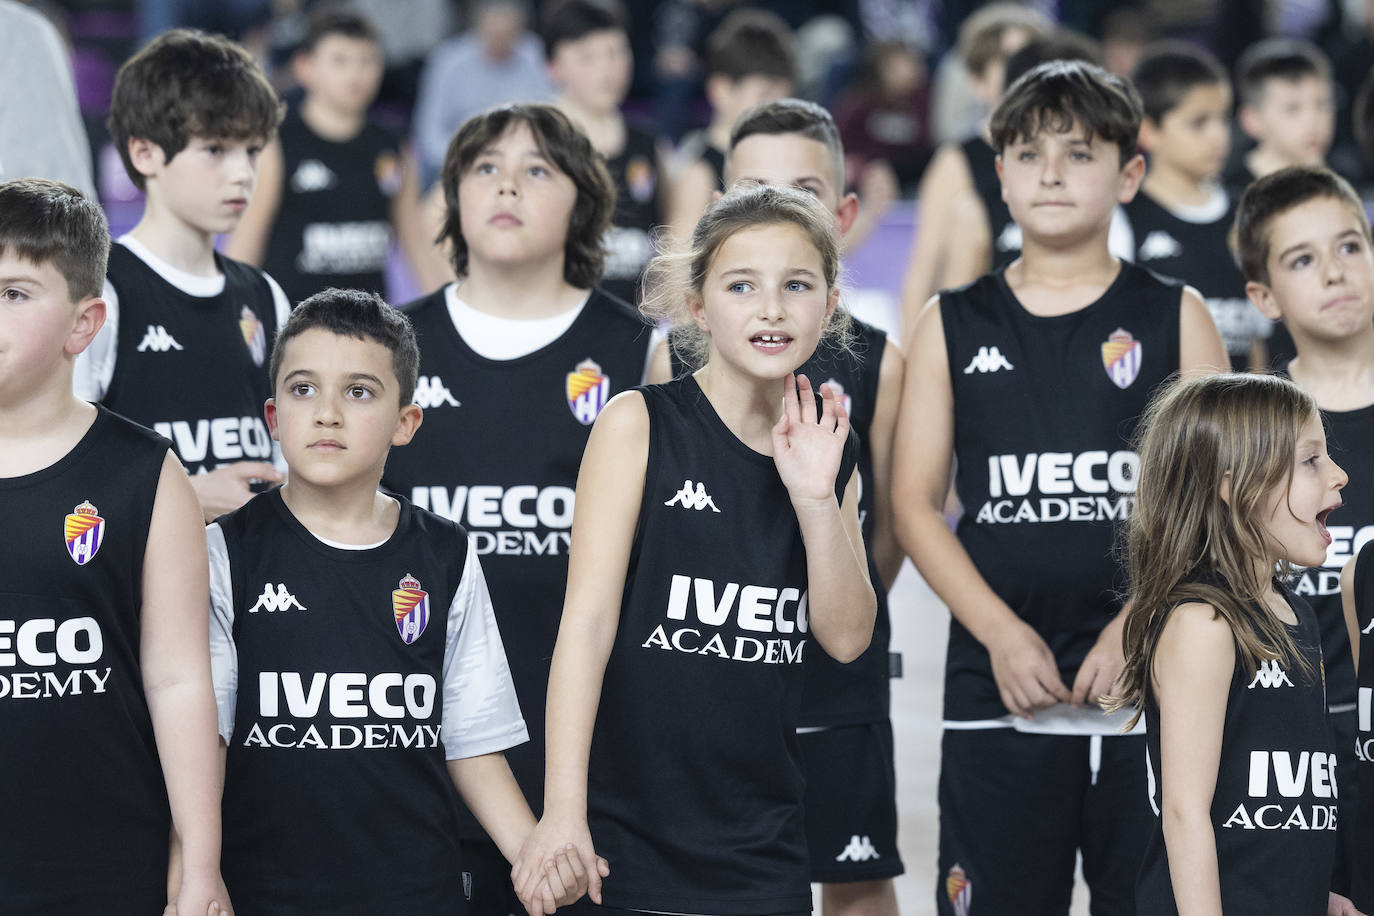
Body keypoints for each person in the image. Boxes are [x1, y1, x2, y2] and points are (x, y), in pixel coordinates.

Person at [893, 60, 1228, 915]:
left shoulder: (1176, 314)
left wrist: (1138, 622)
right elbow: (913, 505)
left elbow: (1217, 504)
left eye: (1078, 153)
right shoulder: (952, 322)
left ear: (1129, 174)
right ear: (997, 174)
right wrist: (1001, 635)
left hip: (1149, 679)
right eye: (1028, 153)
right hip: (997, 684)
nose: (1050, 172)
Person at [514, 183, 876, 913]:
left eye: (796, 285)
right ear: (700, 306)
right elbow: (585, 628)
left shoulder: (830, 448)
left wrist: (813, 498)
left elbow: (845, 637)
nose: (771, 308)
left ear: (828, 305)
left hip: (763, 847)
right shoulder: (637, 425)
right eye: (742, 285)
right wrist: (562, 811)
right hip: (628, 839)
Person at [208, 287, 600, 913]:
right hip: (267, 893)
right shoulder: (222, 553)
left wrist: (534, 852)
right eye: (303, 389)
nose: (327, 413)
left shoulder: (444, 554)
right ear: (274, 416)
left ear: (406, 422)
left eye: (358, 391)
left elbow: (471, 738)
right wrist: (193, 874)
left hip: (417, 892)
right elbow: (206, 749)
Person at [380, 102, 651, 916]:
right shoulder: (388, 351)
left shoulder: (643, 353)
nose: (507, 185)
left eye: (538, 169)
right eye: (484, 167)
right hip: (411, 761)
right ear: (453, 197)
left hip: (595, 765)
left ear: (584, 201)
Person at [650, 97, 906, 915]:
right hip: (710, 660)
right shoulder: (668, 367)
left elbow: (894, 524)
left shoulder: (878, 360)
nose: (782, 205)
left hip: (835, 672)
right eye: (756, 186)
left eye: (803, 188)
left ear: (844, 210)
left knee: (853, 878)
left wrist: (834, 596)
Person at [0, 178, 228, 914]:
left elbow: (179, 680)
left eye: (14, 292)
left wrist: (199, 865)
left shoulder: (143, 472)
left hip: (105, 867)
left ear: (83, 323)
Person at [1112, 373, 1354, 916]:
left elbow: (1290, 804)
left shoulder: (1298, 614)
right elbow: (1184, 812)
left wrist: (1316, 895)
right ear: (1232, 484)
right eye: (1310, 460)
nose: (1339, 474)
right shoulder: (1204, 623)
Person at [75, 28, 291, 521]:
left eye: (252, 150)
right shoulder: (99, 290)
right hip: (133, 591)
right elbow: (59, 474)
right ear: (145, 153)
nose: (242, 173)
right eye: (215, 149)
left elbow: (286, 463)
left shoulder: (265, 295)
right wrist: (187, 495)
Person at [1235, 164, 1374, 900]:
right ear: (1263, 297)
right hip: (1294, 765)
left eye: (1351, 246)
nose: (1335, 273)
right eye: (1302, 259)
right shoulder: (1246, 435)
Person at [226, 11, 426, 308]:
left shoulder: (394, 146)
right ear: (304, 68)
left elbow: (418, 244)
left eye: (368, 60)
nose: (356, 73)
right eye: (340, 60)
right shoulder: (277, 144)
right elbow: (245, 245)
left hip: (372, 330)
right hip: (290, 330)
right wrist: (230, 320)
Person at [898, 2, 1051, 336]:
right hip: (983, 338)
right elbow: (923, 272)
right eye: (1010, 61)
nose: (1023, 72)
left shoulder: (1064, 154)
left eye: (1033, 60)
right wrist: (910, 369)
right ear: (979, 80)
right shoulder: (956, 161)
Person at [1126, 41, 1271, 372]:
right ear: (1148, 130)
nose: (1218, 136)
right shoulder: (1125, 219)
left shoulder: (1249, 212)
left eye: (1222, 119)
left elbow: (1259, 339)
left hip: (1241, 414)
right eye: (1198, 122)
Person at [542, 0, 666, 305]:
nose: (607, 69)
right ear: (553, 67)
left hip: (630, 325)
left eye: (616, 52)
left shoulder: (646, 143)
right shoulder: (536, 142)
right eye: (587, 58)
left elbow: (670, 239)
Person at [1224, 38, 1336, 370]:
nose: (1314, 121)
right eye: (1293, 109)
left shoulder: (1344, 187)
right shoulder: (1229, 197)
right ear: (1251, 119)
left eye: (1323, 104)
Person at [665, 8, 794, 242]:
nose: (775, 110)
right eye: (764, 95)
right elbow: (676, 270)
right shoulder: (698, 174)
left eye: (783, 99)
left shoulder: (785, 168)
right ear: (722, 90)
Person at [411, 0, 554, 189]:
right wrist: (471, 158)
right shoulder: (448, 60)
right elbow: (429, 133)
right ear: (478, 27)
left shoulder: (536, 54)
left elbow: (551, 116)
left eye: (508, 35)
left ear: (520, 29)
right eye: (494, 34)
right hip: (461, 161)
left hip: (523, 161)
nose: (501, 41)